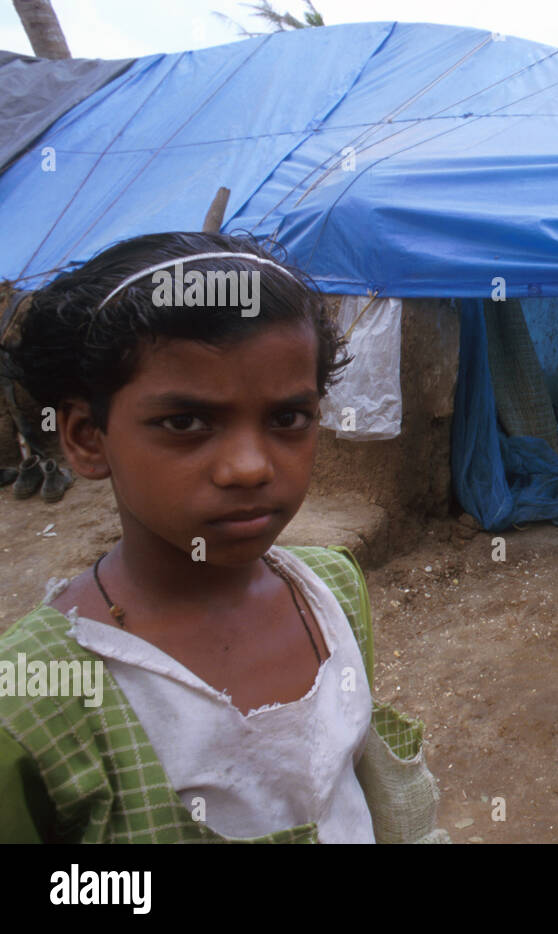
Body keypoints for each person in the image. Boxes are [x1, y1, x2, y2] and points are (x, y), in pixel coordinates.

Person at [0, 231, 444, 843]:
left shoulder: (332, 590)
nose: (249, 468)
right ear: (85, 437)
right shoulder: (32, 703)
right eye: (185, 422)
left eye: (288, 418)